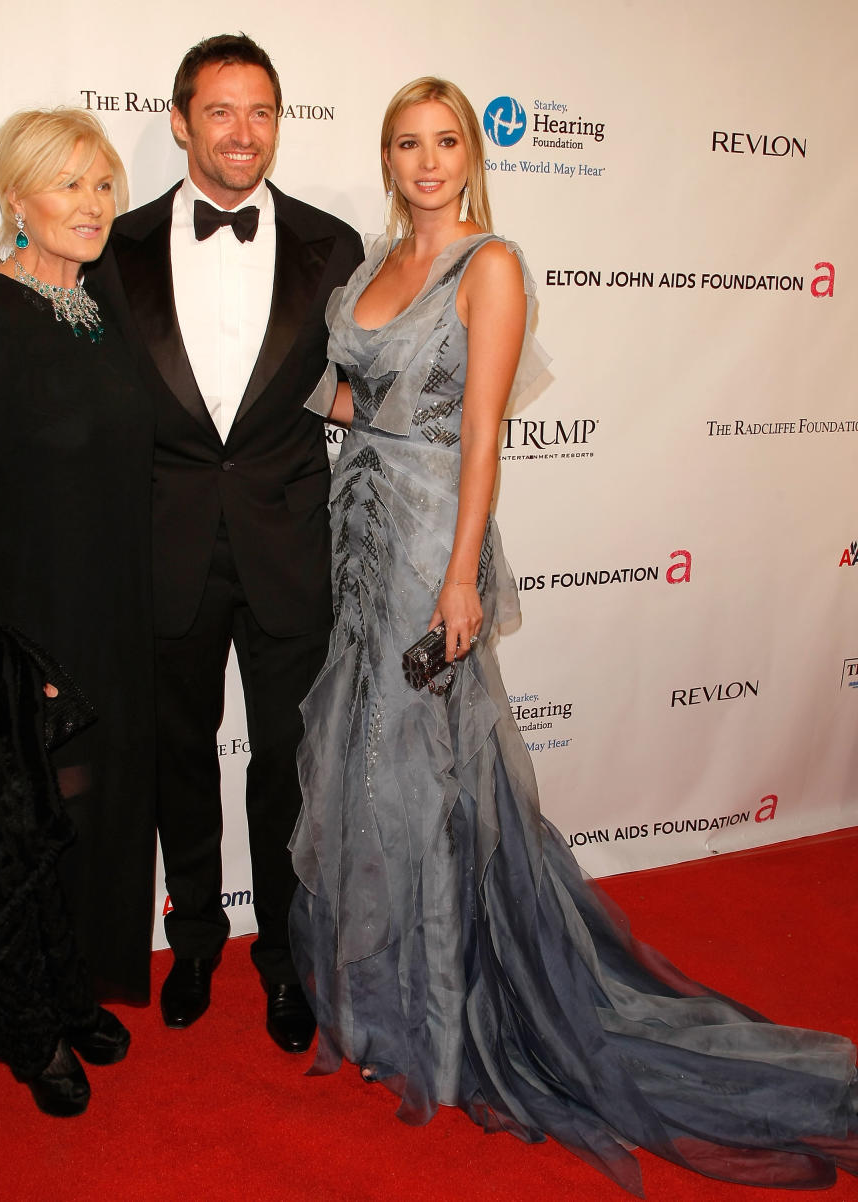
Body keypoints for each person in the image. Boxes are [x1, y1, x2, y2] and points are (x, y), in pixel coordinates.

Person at [288, 77, 858, 1193]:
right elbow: (350, 397)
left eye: (446, 140)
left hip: (425, 555)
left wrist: (460, 581)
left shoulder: (489, 266)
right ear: (388, 156)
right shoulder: (369, 264)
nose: (428, 160)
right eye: (408, 142)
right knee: (367, 778)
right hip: (355, 542)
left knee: (430, 784)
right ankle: (383, 1003)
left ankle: (445, 1025)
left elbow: (482, 437)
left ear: (470, 154)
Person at [87, 34, 363, 1051]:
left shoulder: (336, 245)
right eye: (220, 111)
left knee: (288, 763)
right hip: (162, 549)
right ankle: (194, 936)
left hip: (291, 545)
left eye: (260, 113)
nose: (242, 133)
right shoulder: (112, 248)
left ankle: (285, 956)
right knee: (177, 759)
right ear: (179, 119)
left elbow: (362, 386)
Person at [0, 109, 157, 1116]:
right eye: (69, 186)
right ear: (18, 199)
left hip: (112, 620)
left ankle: (72, 988)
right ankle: (30, 1026)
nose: (93, 205)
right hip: (30, 636)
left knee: (94, 825)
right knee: (27, 838)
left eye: (104, 185)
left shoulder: (100, 307)